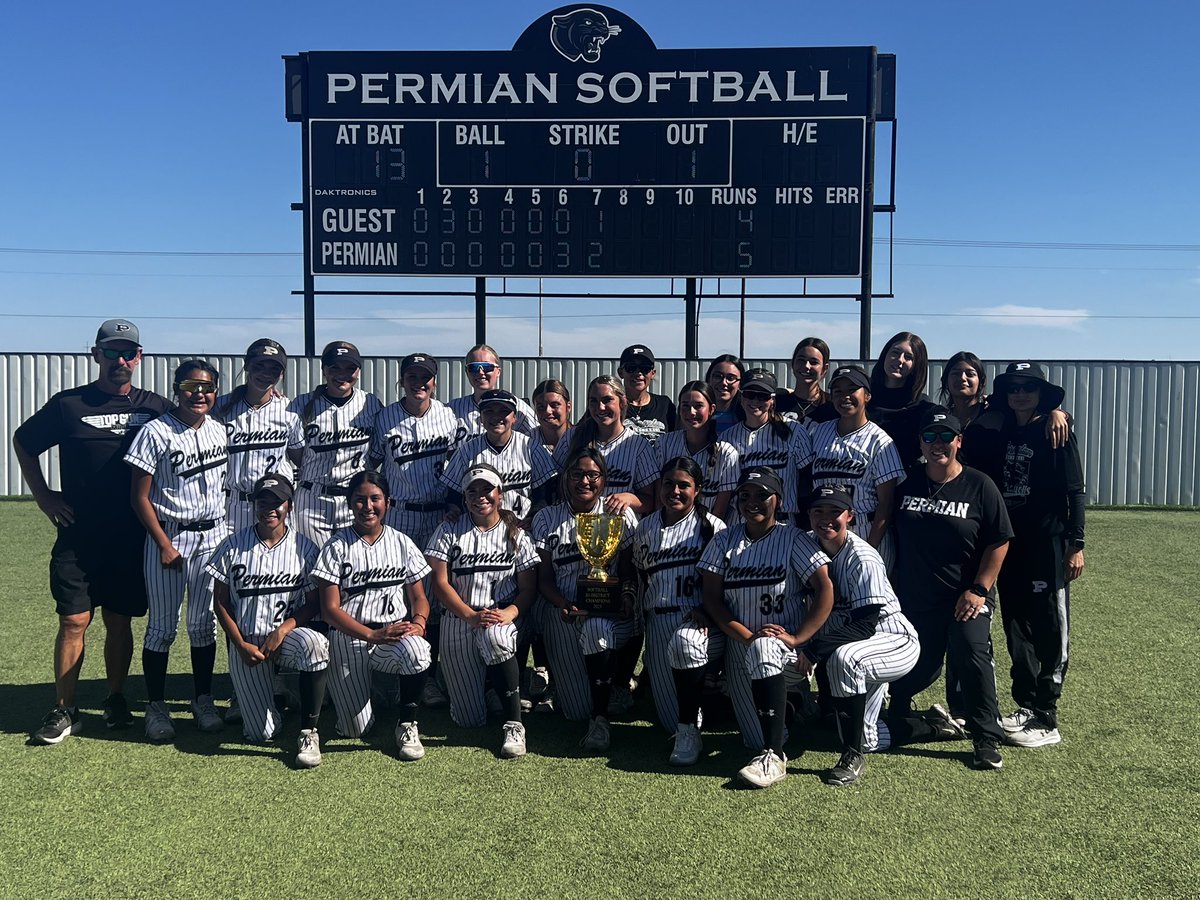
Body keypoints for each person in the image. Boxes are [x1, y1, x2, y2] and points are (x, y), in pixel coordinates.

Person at [15, 318, 170, 743]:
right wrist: (45, 496)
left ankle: (116, 697)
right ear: (96, 354)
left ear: (139, 357)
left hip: (130, 536)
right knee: (74, 620)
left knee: (119, 621)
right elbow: (24, 442)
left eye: (128, 352)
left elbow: (200, 420)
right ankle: (65, 708)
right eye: (111, 352)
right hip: (80, 535)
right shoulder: (69, 405)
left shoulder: (156, 407)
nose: (120, 360)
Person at [886, 410, 1013, 771]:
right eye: (930, 436)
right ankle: (899, 715)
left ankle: (985, 737)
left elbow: (999, 540)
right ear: (920, 442)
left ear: (959, 441)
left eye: (946, 436)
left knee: (972, 656)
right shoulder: (907, 484)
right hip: (916, 597)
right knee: (919, 667)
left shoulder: (979, 484)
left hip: (965, 597)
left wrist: (979, 589)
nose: (937, 443)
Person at [700, 468, 835, 789]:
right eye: (745, 495)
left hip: (785, 652)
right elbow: (712, 599)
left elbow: (825, 588)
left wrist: (800, 637)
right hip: (740, 644)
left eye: (762, 495)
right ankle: (793, 705)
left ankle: (774, 756)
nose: (752, 502)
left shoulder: (794, 538)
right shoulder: (724, 540)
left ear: (779, 500)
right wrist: (746, 636)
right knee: (750, 736)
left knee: (765, 652)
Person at [980, 362, 1086, 749]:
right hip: (1012, 544)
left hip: (1048, 543)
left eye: (1028, 386)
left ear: (1042, 392)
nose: (1020, 393)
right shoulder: (1005, 427)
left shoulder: (1055, 430)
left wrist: (1077, 544)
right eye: (1013, 387)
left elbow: (1075, 490)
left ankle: (1047, 714)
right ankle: (1025, 705)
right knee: (1016, 625)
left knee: (1049, 627)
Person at [124, 359, 230, 741]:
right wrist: (164, 544)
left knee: (204, 626)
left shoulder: (220, 431)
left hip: (213, 536)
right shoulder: (156, 431)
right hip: (169, 536)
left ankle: (203, 699)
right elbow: (139, 497)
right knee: (162, 629)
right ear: (176, 388)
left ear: (216, 393)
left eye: (206, 387)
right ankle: (156, 705)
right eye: (190, 385)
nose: (198, 393)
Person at [800, 486, 920, 787]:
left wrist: (814, 650)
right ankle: (930, 724)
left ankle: (851, 756)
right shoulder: (807, 545)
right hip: (860, 643)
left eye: (834, 512)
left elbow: (866, 623)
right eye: (818, 511)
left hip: (891, 638)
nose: (825, 519)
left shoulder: (862, 557)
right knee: (868, 735)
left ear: (850, 516)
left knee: (845, 658)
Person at [208, 473, 329, 767]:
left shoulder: (305, 548)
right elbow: (220, 602)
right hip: (249, 644)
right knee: (262, 733)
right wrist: (238, 645)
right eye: (264, 502)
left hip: (287, 638)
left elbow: (314, 604)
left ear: (289, 505)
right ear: (254, 505)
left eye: (277, 503)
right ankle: (280, 696)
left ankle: (308, 730)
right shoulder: (232, 546)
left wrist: (285, 628)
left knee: (315, 644)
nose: (270, 509)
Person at [311, 471, 433, 760]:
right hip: (349, 637)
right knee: (355, 730)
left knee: (418, 651)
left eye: (375, 499)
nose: (368, 506)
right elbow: (329, 610)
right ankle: (373, 692)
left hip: (392, 634)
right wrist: (370, 635)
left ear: (387, 502)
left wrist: (419, 622)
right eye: (360, 500)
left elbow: (419, 598)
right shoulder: (336, 546)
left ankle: (407, 724)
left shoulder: (402, 542)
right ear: (349, 504)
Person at [425, 463, 539, 758]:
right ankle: (491, 688)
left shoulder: (515, 531)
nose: (480, 496)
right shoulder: (450, 528)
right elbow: (439, 583)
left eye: (487, 489)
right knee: (468, 719)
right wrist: (469, 616)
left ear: (500, 494)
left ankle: (514, 723)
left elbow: (528, 588)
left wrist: (511, 612)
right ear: (464, 498)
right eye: (472, 491)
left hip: (498, 615)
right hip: (459, 618)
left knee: (496, 637)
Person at [532, 448, 640, 751]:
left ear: (604, 480)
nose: (584, 481)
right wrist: (562, 604)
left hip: (609, 614)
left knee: (597, 630)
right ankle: (579, 691)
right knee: (574, 709)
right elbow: (544, 580)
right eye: (577, 474)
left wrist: (627, 598)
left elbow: (630, 568)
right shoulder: (547, 518)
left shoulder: (619, 513)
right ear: (566, 478)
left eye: (592, 474)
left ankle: (601, 718)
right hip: (564, 612)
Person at [371, 352, 459, 711]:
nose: (419, 382)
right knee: (401, 596)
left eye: (425, 376)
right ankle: (396, 673)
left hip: (438, 515)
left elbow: (460, 463)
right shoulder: (385, 417)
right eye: (412, 375)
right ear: (402, 379)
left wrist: (454, 501)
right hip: (401, 514)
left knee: (436, 599)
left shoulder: (449, 417)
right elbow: (371, 463)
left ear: (434, 381)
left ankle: (430, 678)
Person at [631, 457, 726, 764]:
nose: (675, 490)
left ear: (697, 490)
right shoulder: (645, 526)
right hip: (658, 621)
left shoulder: (713, 526)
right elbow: (642, 577)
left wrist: (708, 611)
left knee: (687, 646)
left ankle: (704, 707)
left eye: (684, 485)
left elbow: (725, 584)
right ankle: (709, 703)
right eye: (669, 483)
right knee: (668, 721)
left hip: (698, 622)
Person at [287, 341, 383, 547]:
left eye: (350, 368)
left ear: (358, 372)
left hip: (353, 500)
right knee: (312, 565)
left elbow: (377, 451)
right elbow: (296, 453)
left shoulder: (370, 403)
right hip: (312, 501)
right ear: (324, 370)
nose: (342, 374)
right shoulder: (301, 404)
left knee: (354, 563)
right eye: (335, 367)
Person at [809, 366, 905, 560]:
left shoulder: (880, 441)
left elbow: (886, 504)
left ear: (867, 396)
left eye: (852, 389)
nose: (845, 396)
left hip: (865, 528)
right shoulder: (818, 433)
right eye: (838, 391)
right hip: (824, 532)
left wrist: (870, 549)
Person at [212, 338, 304, 534]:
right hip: (232, 505)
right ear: (247, 366)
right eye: (259, 366)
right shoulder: (220, 408)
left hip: (274, 505)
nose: (265, 374)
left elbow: (303, 460)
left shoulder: (288, 410)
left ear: (282, 374)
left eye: (273, 369)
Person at [440, 389, 558, 524]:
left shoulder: (532, 448)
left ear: (514, 418)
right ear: (481, 418)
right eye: (489, 411)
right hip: (479, 528)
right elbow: (453, 496)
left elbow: (544, 495)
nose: (496, 417)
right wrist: (453, 511)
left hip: (523, 527)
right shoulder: (466, 451)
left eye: (504, 411)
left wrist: (533, 517)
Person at [721, 369, 814, 525]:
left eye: (762, 396)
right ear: (741, 396)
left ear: (772, 400)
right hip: (740, 521)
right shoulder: (727, 437)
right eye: (750, 394)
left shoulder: (794, 431)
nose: (755, 401)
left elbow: (808, 480)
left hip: (782, 521)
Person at [555, 375, 658, 516]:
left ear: (622, 402)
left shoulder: (638, 445)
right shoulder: (572, 437)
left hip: (620, 531)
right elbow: (554, 485)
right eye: (594, 401)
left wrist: (629, 498)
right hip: (575, 526)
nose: (600, 407)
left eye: (607, 400)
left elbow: (650, 502)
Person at [656, 381, 739, 520]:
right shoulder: (664, 444)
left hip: (708, 532)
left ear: (712, 409)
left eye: (698, 406)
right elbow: (659, 497)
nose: (691, 412)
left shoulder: (726, 453)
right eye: (685, 406)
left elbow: (719, 512)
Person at [867, 331, 939, 470]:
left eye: (908, 357)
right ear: (884, 355)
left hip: (906, 482)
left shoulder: (923, 408)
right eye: (895, 352)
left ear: (916, 366)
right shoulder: (864, 398)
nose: (900, 360)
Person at [449, 344, 538, 440]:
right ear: (467, 372)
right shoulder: (453, 408)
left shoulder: (517, 406)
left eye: (487, 367)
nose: (481, 372)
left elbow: (538, 436)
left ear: (498, 372)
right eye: (473, 367)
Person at [617, 344, 676, 444]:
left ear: (653, 373)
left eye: (645, 368)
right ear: (621, 372)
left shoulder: (664, 405)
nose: (638, 373)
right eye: (631, 367)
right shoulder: (612, 404)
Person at [777, 337, 838, 426]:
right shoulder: (777, 403)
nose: (806, 366)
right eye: (801, 360)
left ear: (825, 368)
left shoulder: (833, 406)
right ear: (793, 363)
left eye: (814, 362)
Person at [704, 354, 745, 433]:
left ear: (740, 383)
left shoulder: (748, 416)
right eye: (718, 376)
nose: (724, 383)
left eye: (731, 378)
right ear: (709, 379)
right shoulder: (694, 412)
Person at [532, 378, 573, 455]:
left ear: (568, 407)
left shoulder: (581, 439)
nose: (548, 411)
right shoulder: (525, 442)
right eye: (541, 407)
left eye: (554, 405)